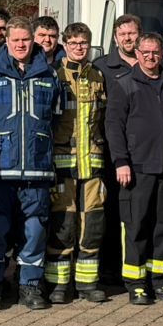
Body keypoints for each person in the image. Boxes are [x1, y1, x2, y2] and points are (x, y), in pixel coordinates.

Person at [0, 19, 62, 310]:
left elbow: (55, 118)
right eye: (15, 40)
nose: (20, 45)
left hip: (37, 169)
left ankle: (30, 286)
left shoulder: (50, 75)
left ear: (33, 41)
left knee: (35, 230)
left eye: (25, 40)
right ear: (6, 41)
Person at [108, 32, 163, 304]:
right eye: (145, 52)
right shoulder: (124, 84)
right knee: (136, 226)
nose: (150, 57)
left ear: (162, 54)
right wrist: (121, 161)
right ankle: (136, 283)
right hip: (136, 167)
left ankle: (158, 280)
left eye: (155, 52)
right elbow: (113, 126)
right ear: (137, 54)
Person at [47, 23, 109, 302]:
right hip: (63, 163)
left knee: (92, 223)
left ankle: (87, 283)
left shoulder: (97, 75)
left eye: (83, 43)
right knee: (63, 223)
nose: (79, 48)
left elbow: (103, 119)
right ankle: (58, 284)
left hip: (92, 163)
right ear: (65, 44)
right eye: (73, 43)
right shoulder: (55, 74)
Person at [98, 14, 141, 84]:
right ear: (115, 38)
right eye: (122, 34)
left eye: (131, 33)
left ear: (140, 35)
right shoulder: (100, 66)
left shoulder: (153, 63)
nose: (127, 38)